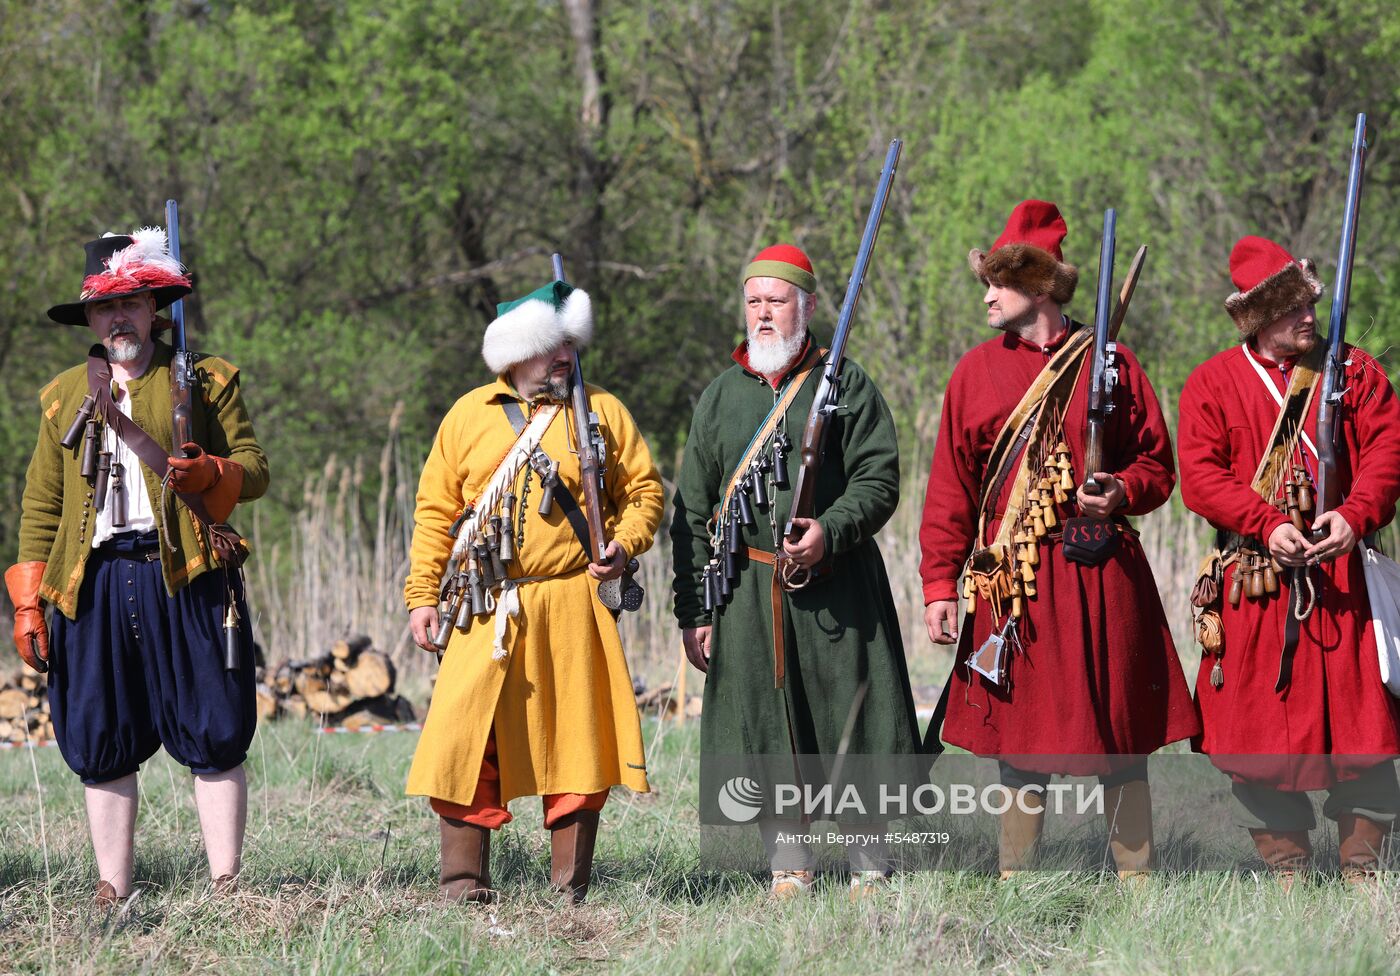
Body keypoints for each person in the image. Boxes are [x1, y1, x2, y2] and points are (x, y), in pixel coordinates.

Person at [919, 200, 1199, 878]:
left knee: (1120, 736)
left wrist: (1120, 492)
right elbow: (951, 490)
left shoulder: (1115, 362)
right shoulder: (975, 371)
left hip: (1103, 575)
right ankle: (1018, 881)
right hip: (1014, 579)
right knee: (1020, 737)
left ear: (1039, 286)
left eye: (999, 281)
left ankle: (1137, 884)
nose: (987, 294)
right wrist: (938, 585)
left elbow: (1158, 468)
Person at [7, 228, 268, 904]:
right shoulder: (62, 395)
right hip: (92, 580)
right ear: (90, 319)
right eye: (103, 308)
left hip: (185, 574)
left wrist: (211, 469)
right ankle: (112, 886)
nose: (117, 318)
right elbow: (41, 505)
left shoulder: (205, 378)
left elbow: (256, 468)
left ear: (155, 307)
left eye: (130, 303)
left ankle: (226, 882)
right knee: (99, 734)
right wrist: (29, 600)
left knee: (213, 726)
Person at [670, 244, 922, 899]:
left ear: (805, 308)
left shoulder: (848, 384)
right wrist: (696, 612)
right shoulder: (721, 397)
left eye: (776, 301)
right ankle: (789, 861)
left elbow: (879, 478)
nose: (762, 314)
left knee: (853, 720)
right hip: (747, 594)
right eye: (753, 301)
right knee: (764, 725)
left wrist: (830, 531)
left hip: (839, 584)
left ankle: (869, 860)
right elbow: (692, 511)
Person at [404, 279, 663, 904]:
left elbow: (646, 494)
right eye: (553, 346)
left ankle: (568, 890)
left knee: (577, 739)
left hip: (573, 599)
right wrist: (422, 597)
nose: (564, 357)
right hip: (482, 601)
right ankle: (463, 884)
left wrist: (622, 545)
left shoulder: (603, 411)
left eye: (570, 345)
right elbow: (435, 513)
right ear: (516, 353)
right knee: (465, 738)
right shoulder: (467, 415)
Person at [1177, 234, 1400, 884]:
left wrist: (1355, 514)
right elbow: (1200, 476)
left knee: (1367, 733)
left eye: (1309, 303)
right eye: (1292, 308)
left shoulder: (1355, 372)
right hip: (1256, 582)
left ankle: (1364, 873)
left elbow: (1389, 451)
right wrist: (1263, 521)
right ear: (1257, 317)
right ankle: (1287, 872)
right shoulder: (1213, 382)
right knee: (1250, 740)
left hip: (1344, 581)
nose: (1309, 316)